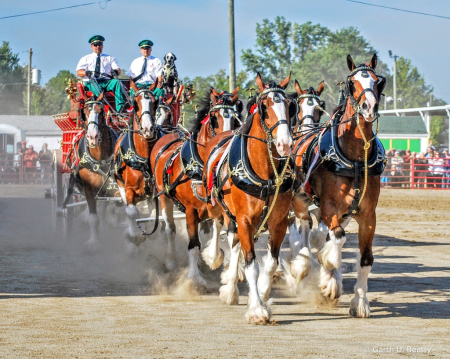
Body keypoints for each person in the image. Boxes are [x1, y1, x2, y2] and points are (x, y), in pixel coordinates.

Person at [76, 35, 126, 112]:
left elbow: (118, 70)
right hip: (92, 81)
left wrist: (116, 71)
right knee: (95, 85)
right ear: (92, 46)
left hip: (106, 81)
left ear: (102, 46)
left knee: (117, 82)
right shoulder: (85, 58)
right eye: (95, 45)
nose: (98, 46)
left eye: (100, 44)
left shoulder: (110, 58)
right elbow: (79, 72)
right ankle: (100, 108)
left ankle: (121, 108)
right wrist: (86, 72)